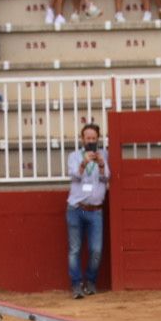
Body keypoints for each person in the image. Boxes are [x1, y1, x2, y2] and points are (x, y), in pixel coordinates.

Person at [65, 122, 107, 299]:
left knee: (96, 249)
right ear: (82, 139)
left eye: (93, 138)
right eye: (87, 138)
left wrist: (102, 164)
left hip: (95, 209)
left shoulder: (104, 155)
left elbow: (107, 178)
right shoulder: (74, 156)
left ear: (98, 139)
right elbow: (74, 175)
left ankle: (90, 281)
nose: (90, 141)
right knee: (75, 248)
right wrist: (84, 163)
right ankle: (76, 285)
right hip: (76, 208)